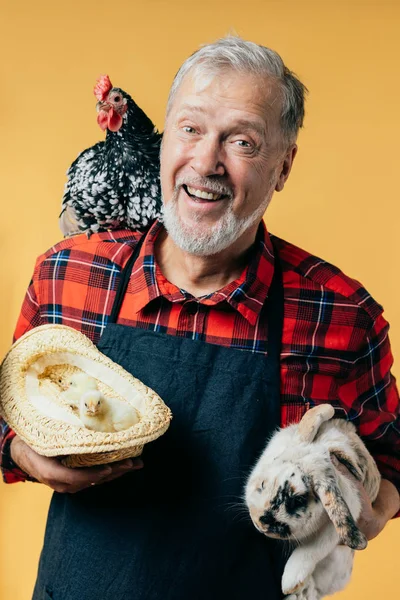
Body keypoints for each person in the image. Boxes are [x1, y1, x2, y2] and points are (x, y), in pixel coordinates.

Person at [1, 36, 399, 600]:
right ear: (164, 142)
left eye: (242, 141)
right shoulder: (69, 274)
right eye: (190, 129)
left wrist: (347, 505)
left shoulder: (338, 312)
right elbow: (7, 413)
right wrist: (22, 452)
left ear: (283, 166)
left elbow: (390, 464)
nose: (206, 162)